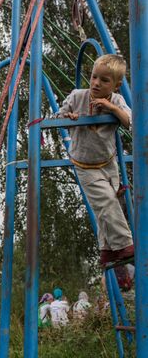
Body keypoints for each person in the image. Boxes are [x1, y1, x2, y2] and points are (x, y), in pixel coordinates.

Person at [56, 54, 134, 265]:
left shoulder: (117, 100)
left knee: (108, 205)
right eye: (94, 77)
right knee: (106, 201)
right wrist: (69, 118)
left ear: (116, 86)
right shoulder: (77, 97)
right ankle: (126, 245)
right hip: (85, 164)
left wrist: (113, 109)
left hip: (108, 163)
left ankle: (107, 250)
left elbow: (130, 122)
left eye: (104, 80)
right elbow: (58, 118)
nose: (96, 83)